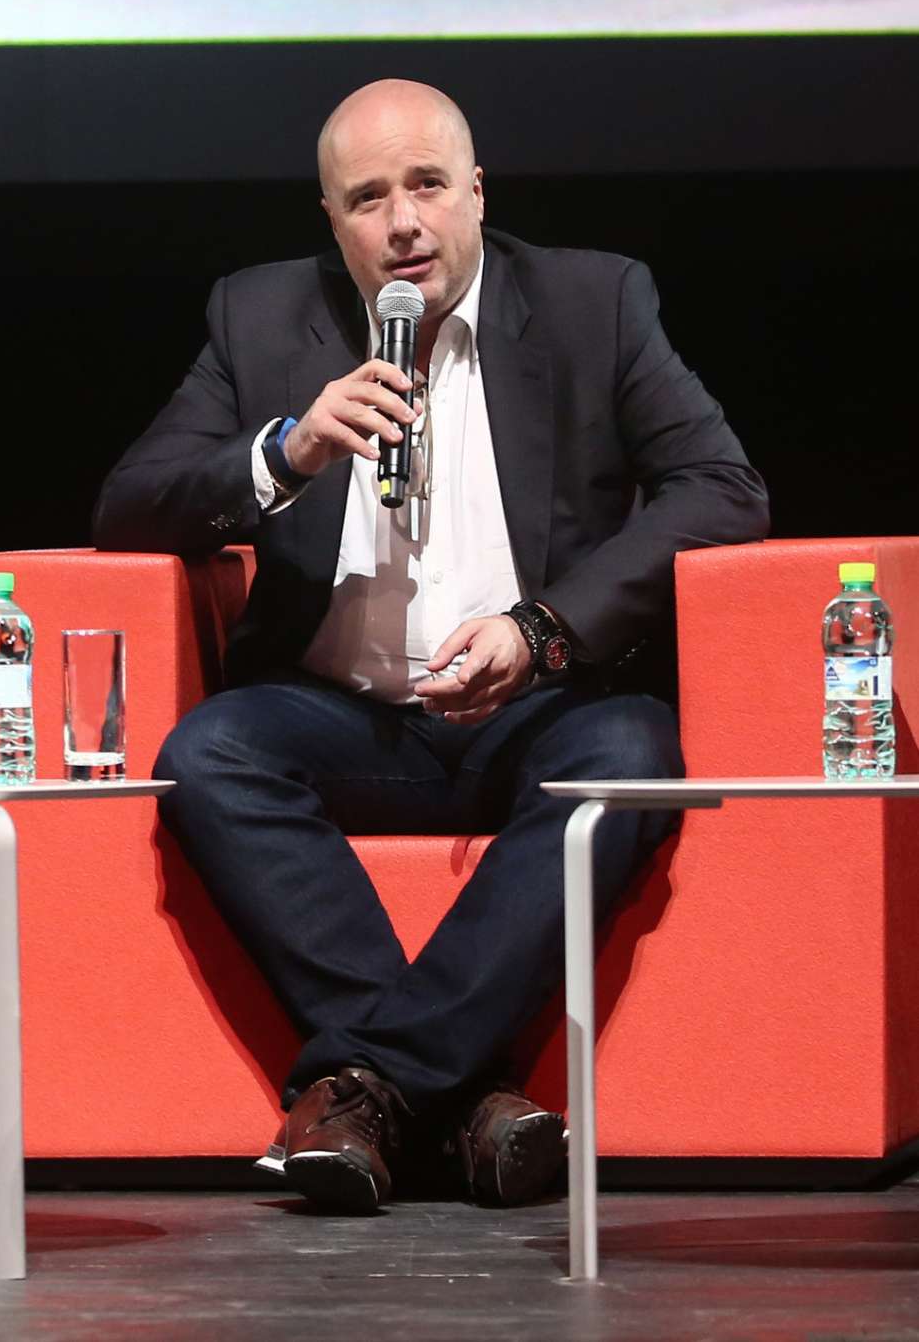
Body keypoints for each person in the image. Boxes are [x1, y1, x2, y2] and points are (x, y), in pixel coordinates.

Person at [94, 79, 769, 1214]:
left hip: (537, 709)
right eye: (368, 198)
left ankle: (374, 1089)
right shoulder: (260, 316)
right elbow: (130, 504)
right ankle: (466, 1102)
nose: (404, 222)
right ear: (332, 220)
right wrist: (287, 452)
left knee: (632, 753)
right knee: (209, 754)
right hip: (339, 715)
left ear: (477, 193)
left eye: (428, 186)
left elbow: (722, 486)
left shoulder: (591, 300)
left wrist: (541, 632)